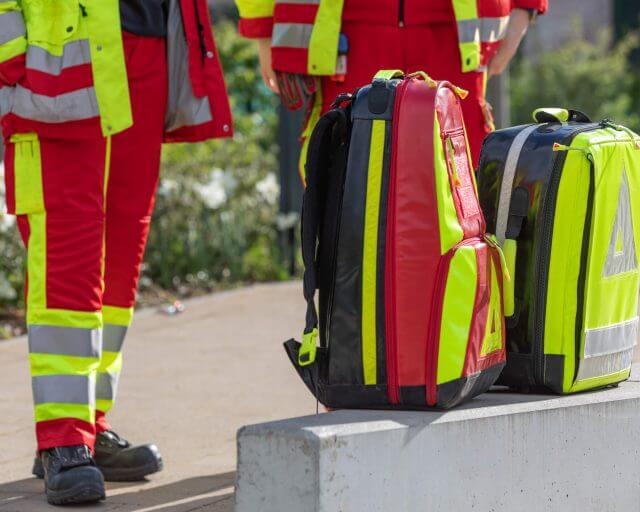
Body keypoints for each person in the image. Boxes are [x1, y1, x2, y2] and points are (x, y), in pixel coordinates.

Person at [0, 0, 232, 505]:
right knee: (67, 257)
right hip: (56, 55)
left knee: (119, 261)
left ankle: (89, 425)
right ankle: (62, 436)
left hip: (146, 45)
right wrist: (11, 60)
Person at [235, 0, 547, 172]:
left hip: (455, 33)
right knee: (345, 196)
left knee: (460, 198)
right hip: (343, 32)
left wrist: (524, 9)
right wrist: (263, 25)